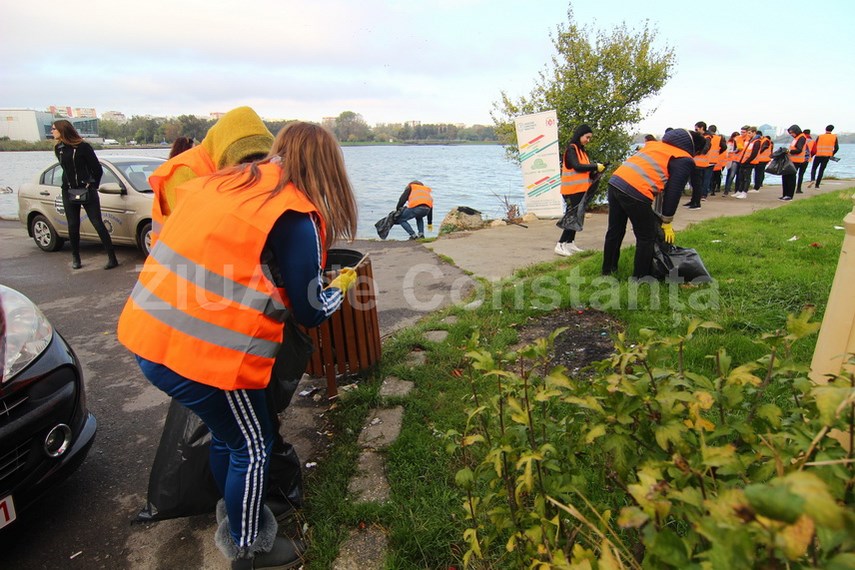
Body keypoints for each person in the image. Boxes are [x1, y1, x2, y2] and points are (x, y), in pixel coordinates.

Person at [117, 122, 359, 569]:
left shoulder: (225, 183)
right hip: (205, 356)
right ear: (329, 167)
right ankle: (249, 548)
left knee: (231, 439)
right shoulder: (294, 213)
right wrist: (339, 290)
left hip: (148, 334)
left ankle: (235, 510)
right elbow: (310, 310)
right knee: (253, 445)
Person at [148, 106, 274, 246]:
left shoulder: (215, 164)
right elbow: (198, 234)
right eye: (245, 161)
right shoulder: (185, 170)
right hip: (176, 254)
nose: (250, 169)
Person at [602, 127, 703, 278]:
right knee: (646, 237)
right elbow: (674, 191)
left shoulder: (655, 145)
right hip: (636, 191)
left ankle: (608, 270)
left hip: (616, 182)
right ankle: (640, 278)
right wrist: (667, 221)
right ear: (694, 148)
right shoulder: (683, 159)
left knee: (615, 230)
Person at [51, 119, 118, 270]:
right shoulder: (58, 148)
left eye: (54, 129)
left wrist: (92, 184)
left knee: (97, 223)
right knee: (73, 224)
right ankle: (76, 257)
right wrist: (68, 184)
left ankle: (112, 257)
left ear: (62, 130)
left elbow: (97, 169)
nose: (52, 131)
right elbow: (66, 168)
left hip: (87, 189)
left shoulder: (83, 147)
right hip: (68, 190)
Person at [555, 123, 604, 256]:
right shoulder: (572, 149)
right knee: (572, 217)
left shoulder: (582, 151)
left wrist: (597, 171)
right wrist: (595, 166)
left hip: (581, 189)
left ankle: (570, 243)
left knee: (577, 216)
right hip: (572, 189)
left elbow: (585, 171)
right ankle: (560, 243)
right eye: (587, 137)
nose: (588, 140)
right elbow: (577, 166)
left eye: (589, 138)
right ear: (580, 135)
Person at [782, 124, 809, 201]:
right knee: (785, 177)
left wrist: (789, 151)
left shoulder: (801, 138)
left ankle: (789, 195)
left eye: (792, 133)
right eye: (790, 133)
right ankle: (785, 194)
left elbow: (799, 150)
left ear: (796, 131)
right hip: (791, 160)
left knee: (791, 178)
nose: (791, 134)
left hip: (796, 161)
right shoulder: (796, 138)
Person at [733, 127, 760, 199]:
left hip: (749, 162)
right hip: (743, 161)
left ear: (754, 132)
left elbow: (754, 153)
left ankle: (744, 192)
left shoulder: (757, 141)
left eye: (750, 133)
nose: (748, 134)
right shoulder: (749, 141)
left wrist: (747, 161)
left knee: (747, 178)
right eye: (748, 133)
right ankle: (739, 191)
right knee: (741, 177)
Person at [795, 128, 812, 194]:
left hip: (796, 159)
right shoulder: (811, 141)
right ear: (809, 133)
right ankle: (798, 189)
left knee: (794, 174)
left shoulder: (798, 139)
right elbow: (814, 151)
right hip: (805, 159)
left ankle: (791, 188)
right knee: (801, 174)